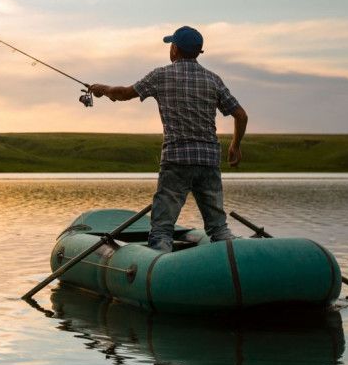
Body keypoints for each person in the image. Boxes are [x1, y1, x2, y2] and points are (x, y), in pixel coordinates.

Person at [87, 26, 248, 254]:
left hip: (176, 161)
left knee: (162, 228)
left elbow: (122, 94)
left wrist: (101, 89)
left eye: (171, 45)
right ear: (198, 52)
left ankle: (158, 271)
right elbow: (241, 115)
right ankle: (238, 261)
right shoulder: (214, 80)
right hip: (209, 161)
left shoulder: (160, 75)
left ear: (174, 49)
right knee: (218, 228)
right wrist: (235, 145)